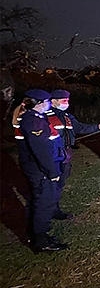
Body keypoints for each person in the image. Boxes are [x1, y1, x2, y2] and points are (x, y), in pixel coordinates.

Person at [13, 89, 68, 252]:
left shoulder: (35, 118)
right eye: (48, 102)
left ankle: (36, 236)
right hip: (41, 171)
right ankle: (41, 241)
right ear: (40, 104)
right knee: (44, 203)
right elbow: (42, 151)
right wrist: (53, 172)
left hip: (37, 169)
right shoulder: (33, 122)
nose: (50, 104)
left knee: (37, 201)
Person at [46, 89, 100, 220]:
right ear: (53, 101)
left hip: (65, 154)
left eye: (68, 101)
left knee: (60, 182)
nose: (66, 103)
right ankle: (43, 211)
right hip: (51, 154)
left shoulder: (67, 116)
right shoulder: (44, 116)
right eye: (64, 101)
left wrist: (98, 126)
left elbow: (80, 128)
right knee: (48, 184)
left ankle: (54, 209)